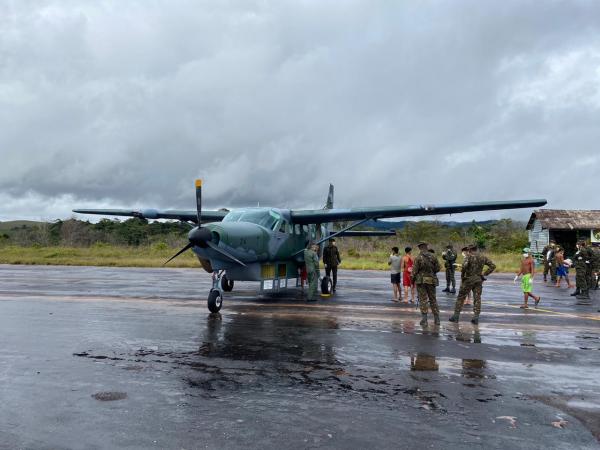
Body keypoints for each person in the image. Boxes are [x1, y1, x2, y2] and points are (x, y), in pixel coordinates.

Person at [449, 245, 496, 325]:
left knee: (461, 297)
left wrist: (463, 276)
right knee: (477, 298)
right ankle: (476, 317)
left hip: (468, 280)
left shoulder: (468, 257)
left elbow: (464, 267)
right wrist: (484, 274)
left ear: (470, 250)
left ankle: (456, 316)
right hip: (478, 280)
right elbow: (493, 266)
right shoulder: (483, 257)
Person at [411, 242, 441, 325]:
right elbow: (438, 268)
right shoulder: (433, 256)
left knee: (423, 300)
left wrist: (412, 281)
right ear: (427, 247)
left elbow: (414, 272)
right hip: (432, 280)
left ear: (420, 248)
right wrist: (432, 272)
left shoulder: (418, 258)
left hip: (421, 282)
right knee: (433, 299)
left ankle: (424, 320)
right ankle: (437, 319)